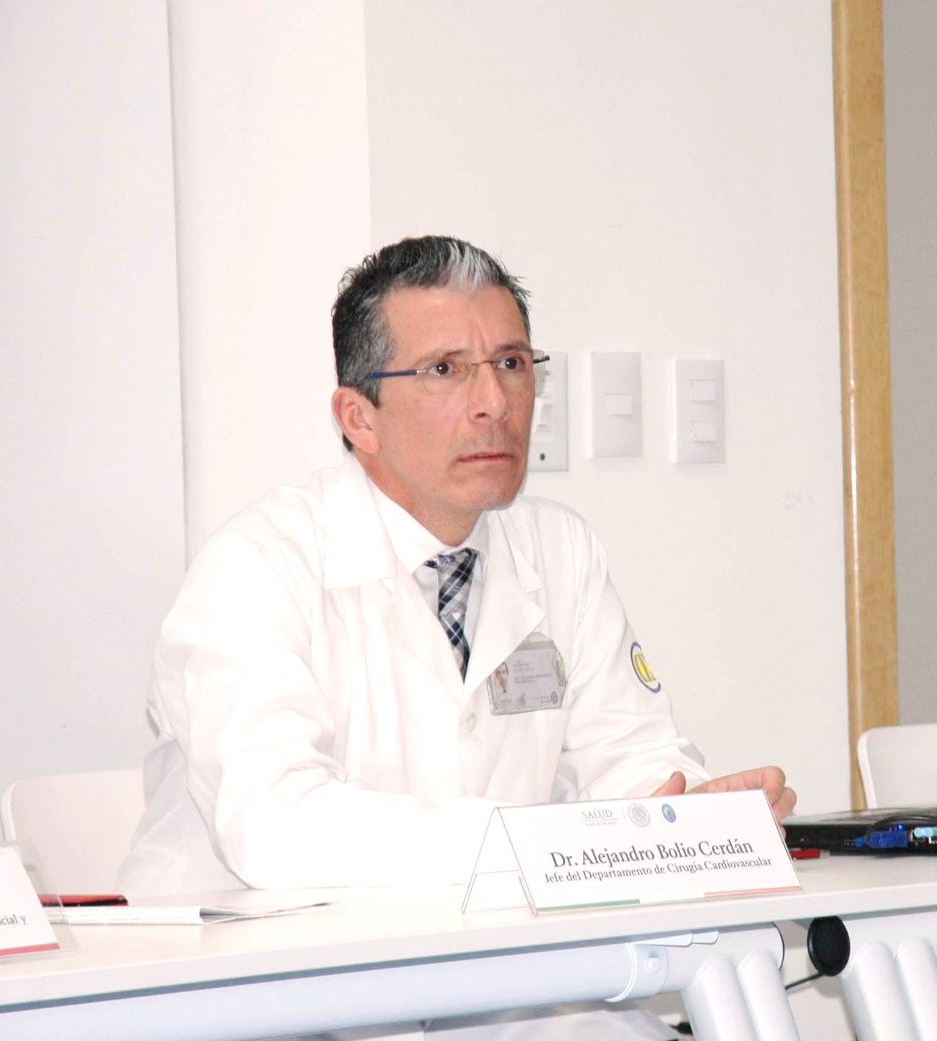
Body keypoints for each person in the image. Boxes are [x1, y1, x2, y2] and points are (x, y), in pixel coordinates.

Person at [120, 235, 795, 1039]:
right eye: (446, 369)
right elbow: (275, 828)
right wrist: (530, 843)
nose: (494, 403)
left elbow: (634, 758)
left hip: (499, 990)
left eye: (511, 363)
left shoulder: (560, 550)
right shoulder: (257, 566)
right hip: (265, 1000)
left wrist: (692, 822)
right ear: (357, 416)